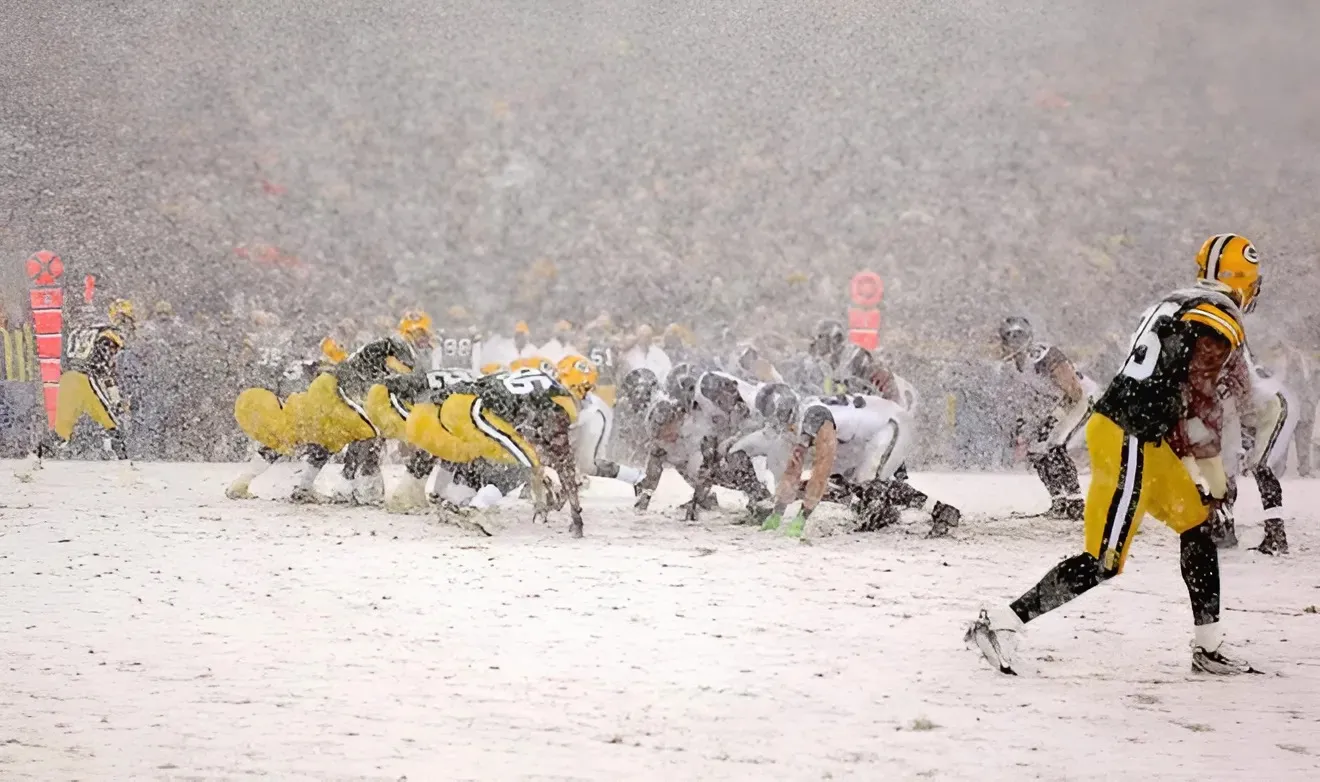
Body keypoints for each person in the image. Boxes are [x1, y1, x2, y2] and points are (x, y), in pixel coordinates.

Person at [967, 233, 1263, 676]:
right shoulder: (1216, 317)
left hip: (1139, 430)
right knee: (1104, 560)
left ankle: (1209, 647)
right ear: (1240, 278)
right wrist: (1213, 471)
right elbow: (1199, 398)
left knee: (1196, 525)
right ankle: (1001, 624)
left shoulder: (1173, 302)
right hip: (1130, 434)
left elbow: (1167, 385)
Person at [998, 316, 1099, 520]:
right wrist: (1023, 424)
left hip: (1080, 398)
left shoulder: (1043, 355)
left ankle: (1075, 502)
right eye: (1009, 338)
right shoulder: (1015, 366)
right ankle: (1059, 501)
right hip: (1057, 402)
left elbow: (1074, 392)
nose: (1014, 343)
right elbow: (1032, 398)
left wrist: (1052, 420)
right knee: (1036, 450)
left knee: (1053, 444)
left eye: (1018, 336)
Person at [35, 299, 136, 462]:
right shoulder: (108, 334)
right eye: (124, 319)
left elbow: (64, 358)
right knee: (111, 424)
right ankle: (125, 465)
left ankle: (34, 458)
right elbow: (104, 368)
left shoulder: (79, 331)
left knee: (61, 432)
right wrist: (115, 397)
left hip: (68, 379)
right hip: (87, 379)